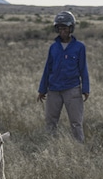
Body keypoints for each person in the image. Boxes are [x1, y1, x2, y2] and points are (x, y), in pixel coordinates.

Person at [37, 11, 90, 142]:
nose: (62, 31)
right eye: (60, 28)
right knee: (50, 122)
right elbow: (47, 69)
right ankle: (49, 147)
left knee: (76, 122)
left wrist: (85, 89)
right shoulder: (53, 47)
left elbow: (83, 69)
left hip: (72, 89)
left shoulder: (79, 47)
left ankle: (79, 147)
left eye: (65, 28)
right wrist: (42, 89)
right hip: (53, 89)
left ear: (71, 28)